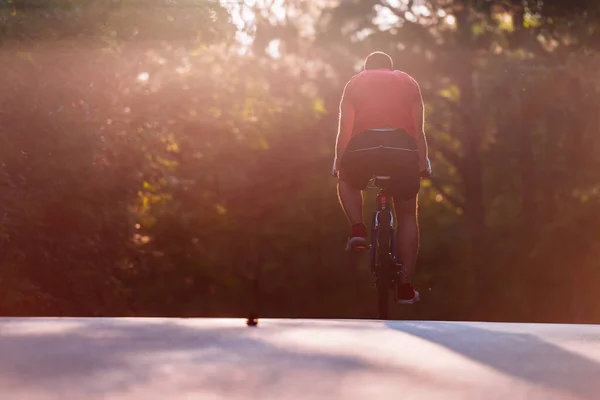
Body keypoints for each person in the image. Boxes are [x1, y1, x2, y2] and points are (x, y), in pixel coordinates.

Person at [332, 51, 430, 305]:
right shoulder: (408, 82)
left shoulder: (355, 82)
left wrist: (339, 160)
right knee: (407, 214)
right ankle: (405, 287)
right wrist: (422, 162)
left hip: (363, 149)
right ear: (390, 68)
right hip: (403, 151)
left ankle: (357, 230)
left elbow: (345, 129)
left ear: (367, 68)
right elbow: (418, 130)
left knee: (346, 181)